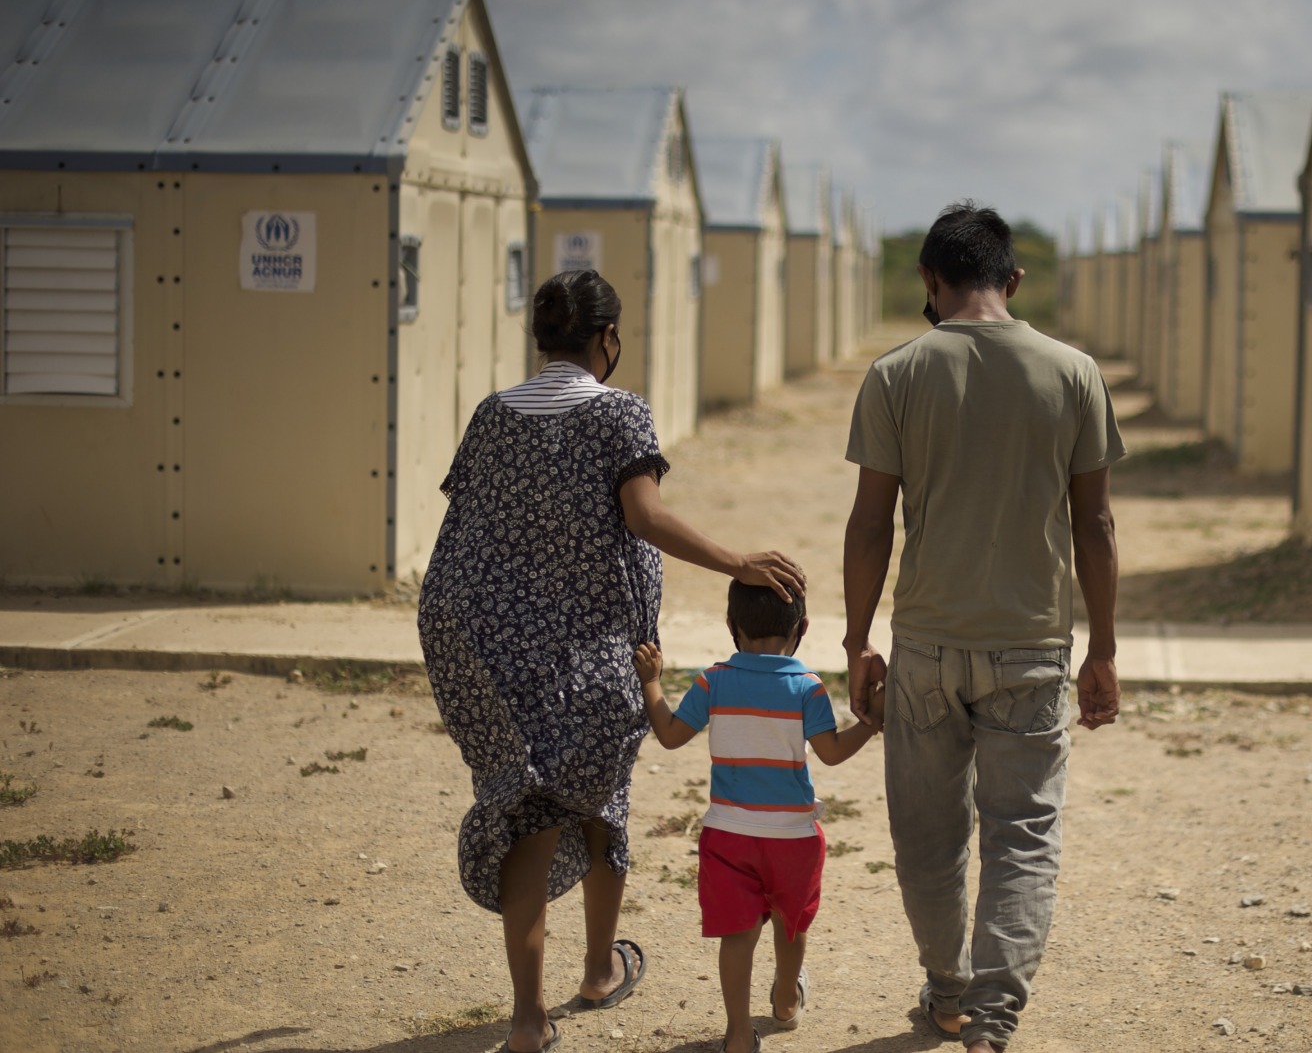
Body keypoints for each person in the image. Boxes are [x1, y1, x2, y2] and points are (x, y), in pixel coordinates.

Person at [418, 269, 805, 1053]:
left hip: (492, 651)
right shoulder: (619, 411)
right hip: (591, 654)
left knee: (528, 815)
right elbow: (644, 514)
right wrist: (737, 562)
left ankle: (529, 1019)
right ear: (608, 338)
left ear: (539, 337)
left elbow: (469, 528)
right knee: (602, 803)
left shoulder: (493, 413)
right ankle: (594, 971)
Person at [841, 202, 1124, 1053]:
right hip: (1031, 646)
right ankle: (991, 1021)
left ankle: (948, 991)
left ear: (929, 279)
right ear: (1014, 278)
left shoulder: (895, 373)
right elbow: (1094, 525)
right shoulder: (1073, 373)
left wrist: (858, 641)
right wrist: (1102, 649)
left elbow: (869, 524)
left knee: (927, 840)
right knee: (1022, 838)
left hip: (926, 645)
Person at [632, 581, 884, 1053]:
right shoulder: (807, 687)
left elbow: (669, 735)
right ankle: (786, 1000)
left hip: (727, 835)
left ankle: (737, 1035)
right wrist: (872, 722)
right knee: (791, 925)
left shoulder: (713, 680)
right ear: (802, 628)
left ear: (732, 626)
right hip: (794, 838)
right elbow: (831, 753)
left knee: (737, 936)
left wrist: (651, 681)